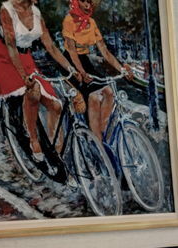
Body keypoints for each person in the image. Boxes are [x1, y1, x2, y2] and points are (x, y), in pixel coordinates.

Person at [0, 1, 76, 169]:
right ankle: (33, 139)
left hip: (26, 59)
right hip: (4, 58)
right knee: (34, 91)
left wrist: (72, 69)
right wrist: (24, 76)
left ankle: (55, 148)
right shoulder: (7, 9)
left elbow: (51, 46)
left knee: (56, 106)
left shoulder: (36, 13)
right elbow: (10, 44)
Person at [59, 0, 136, 142]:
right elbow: (71, 51)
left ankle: (102, 130)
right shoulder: (69, 20)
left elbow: (104, 51)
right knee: (94, 97)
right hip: (70, 62)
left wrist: (121, 69)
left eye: (89, 2)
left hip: (84, 60)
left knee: (109, 92)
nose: (88, 5)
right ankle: (97, 142)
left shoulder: (91, 23)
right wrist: (81, 72)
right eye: (84, 1)